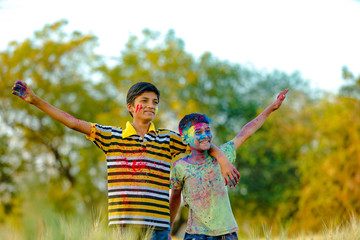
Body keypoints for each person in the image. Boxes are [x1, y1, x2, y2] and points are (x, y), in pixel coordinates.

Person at [12, 80, 240, 240]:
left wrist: (222, 157)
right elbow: (73, 122)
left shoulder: (167, 139)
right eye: (145, 100)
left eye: (155, 102)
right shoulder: (111, 137)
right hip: (124, 228)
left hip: (158, 228)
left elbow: (202, 144)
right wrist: (35, 100)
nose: (151, 105)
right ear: (131, 107)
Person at [169, 89, 289, 240]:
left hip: (226, 234)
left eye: (208, 130)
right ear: (185, 139)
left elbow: (246, 131)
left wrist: (271, 108)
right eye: (198, 132)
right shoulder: (180, 166)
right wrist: (169, 228)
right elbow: (174, 198)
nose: (205, 135)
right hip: (196, 235)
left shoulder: (223, 154)